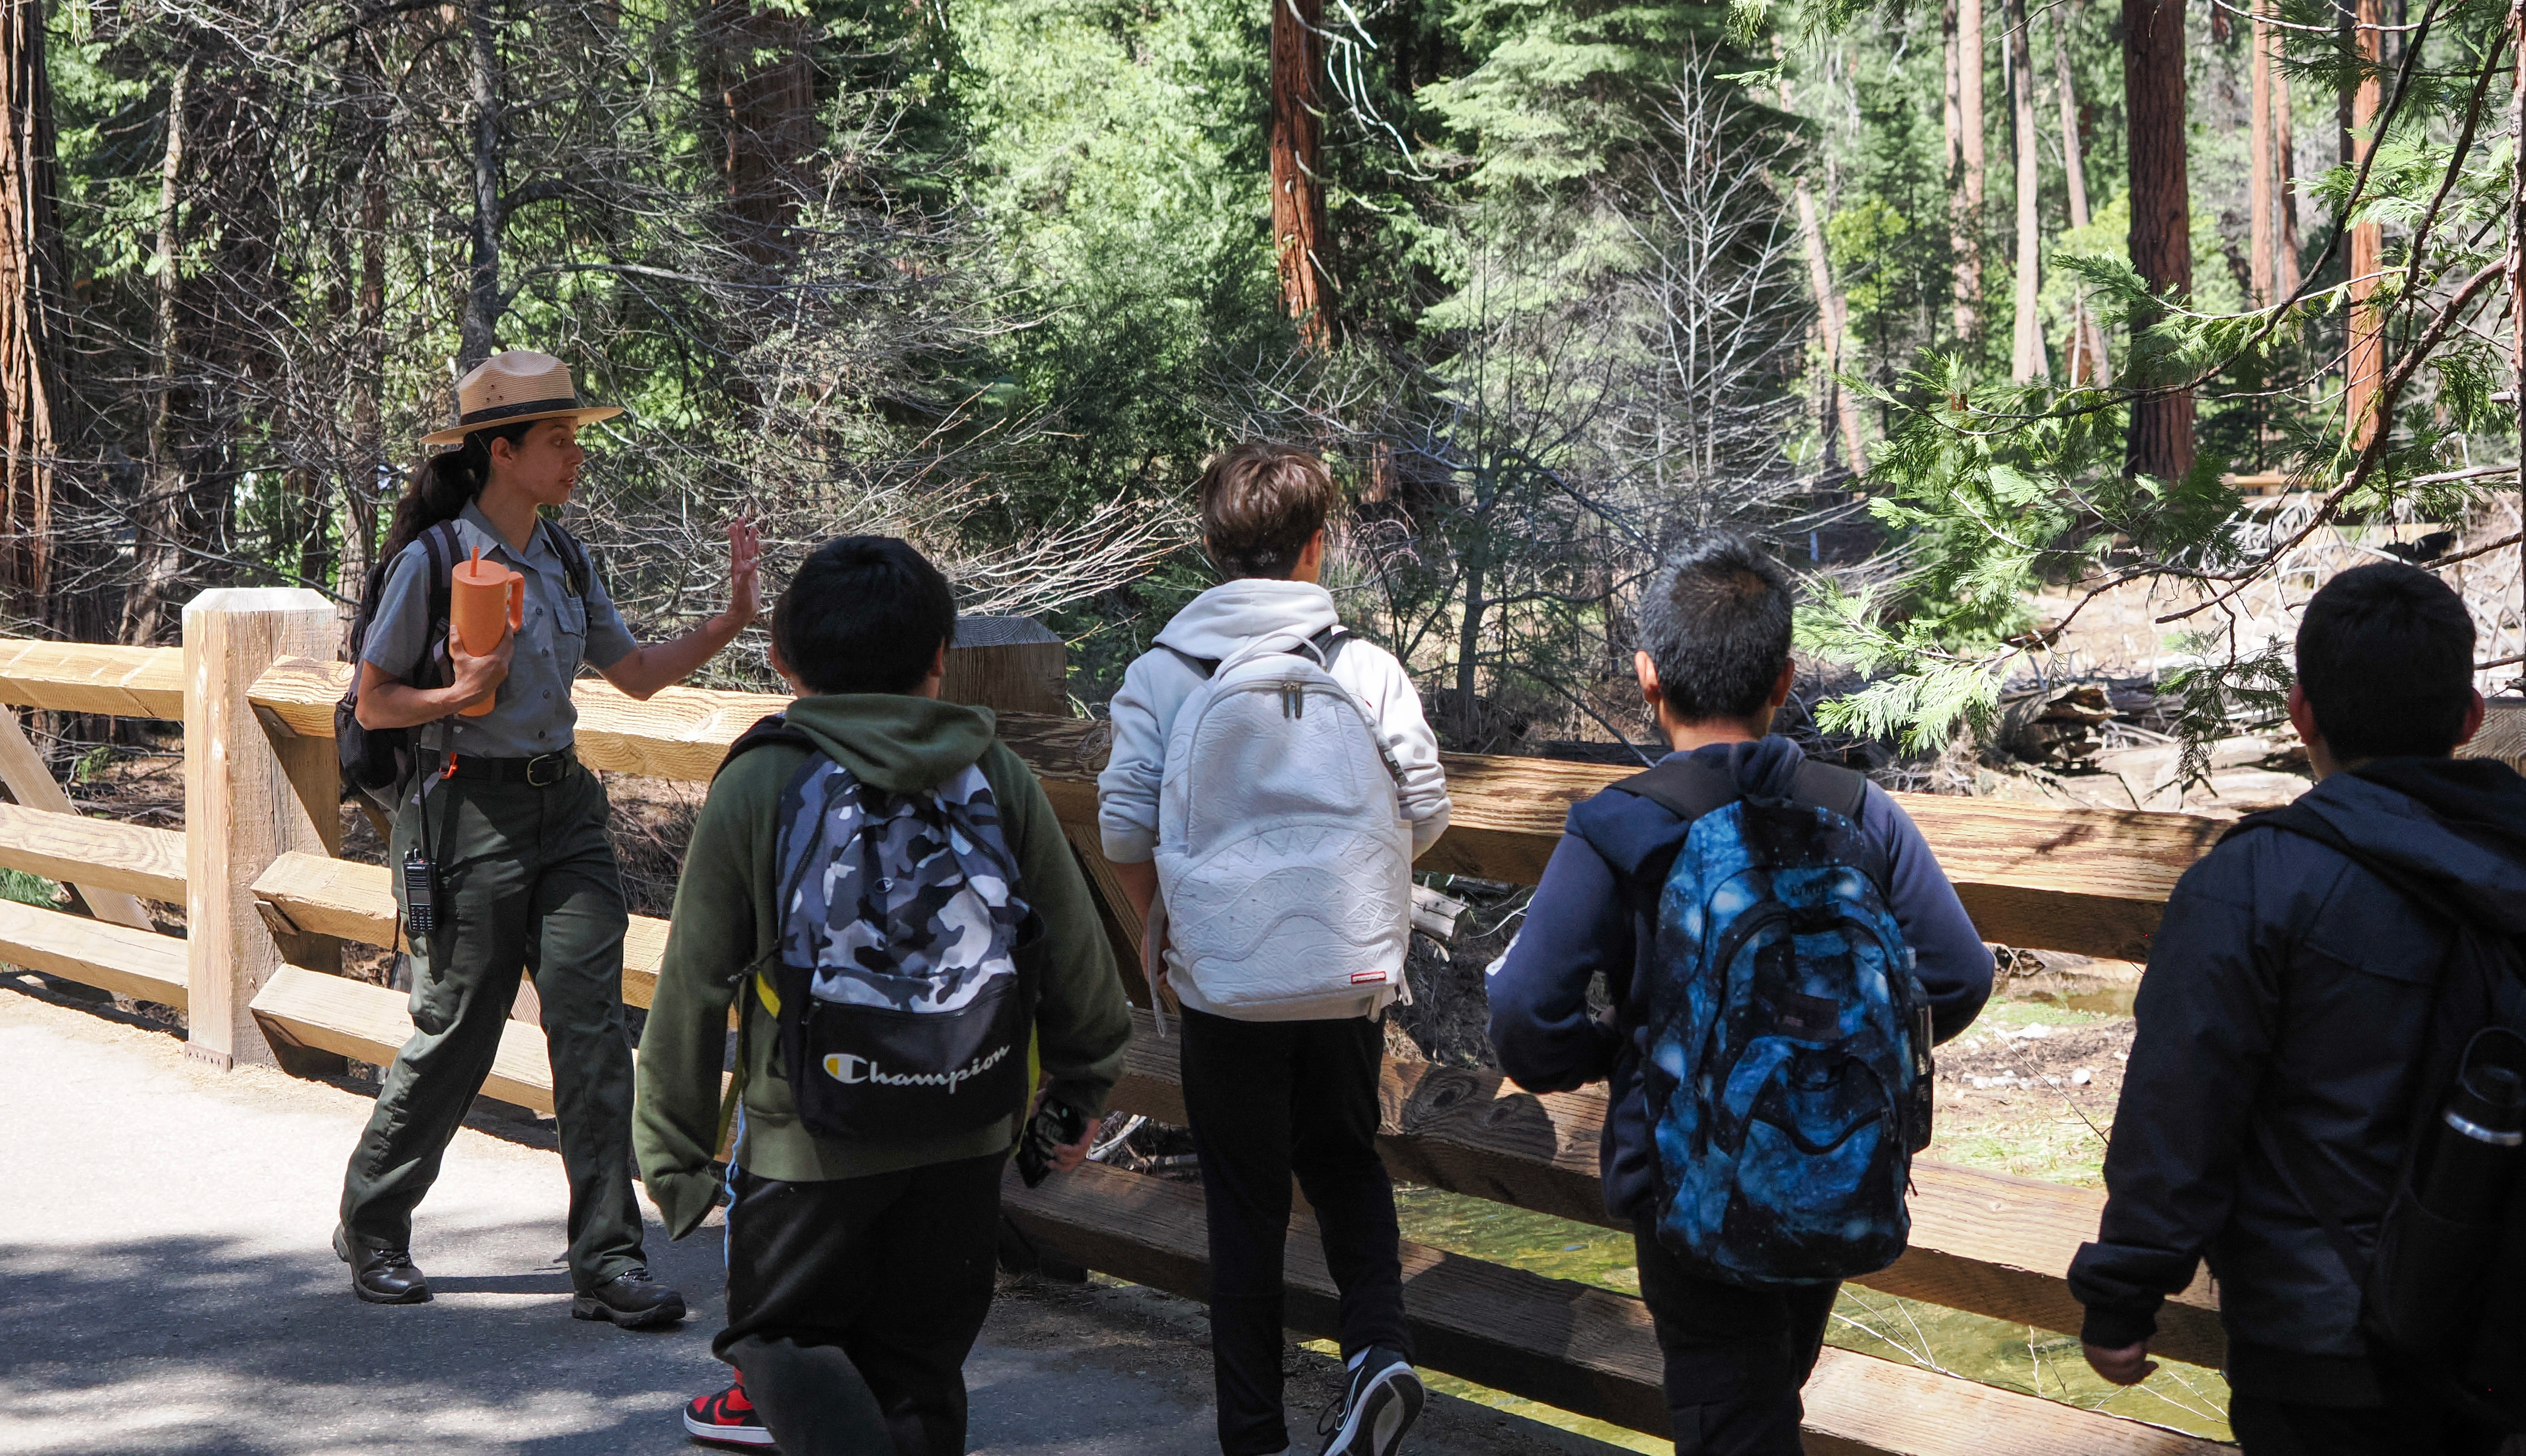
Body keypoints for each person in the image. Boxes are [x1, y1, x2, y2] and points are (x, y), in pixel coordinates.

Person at [1485, 533, 1993, 1456]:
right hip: (1834, 1166)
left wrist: (1625, 1055)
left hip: (1683, 1181)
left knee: (1730, 1418)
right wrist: (1847, 1057)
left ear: (1648, 678)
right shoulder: (1859, 810)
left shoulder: (1621, 826)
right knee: (1764, 1402)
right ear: (1785, 679)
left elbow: (1524, 1016)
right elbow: (1960, 974)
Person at [636, 535, 1135, 1456]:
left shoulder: (762, 779)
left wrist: (674, 1158)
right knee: (919, 1368)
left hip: (810, 1135)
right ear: (939, 660)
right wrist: (1074, 1097)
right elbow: (1078, 962)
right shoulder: (997, 773)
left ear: (784, 659)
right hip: (969, 1121)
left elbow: (695, 982)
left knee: (774, 1338)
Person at [333, 349, 761, 1326]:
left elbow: (639, 674)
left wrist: (731, 617)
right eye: (558, 439)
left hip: (564, 809)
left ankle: (609, 1261)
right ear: (501, 449)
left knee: (595, 1031)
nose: (576, 455)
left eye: (577, 437)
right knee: (459, 1033)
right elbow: (374, 699)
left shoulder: (566, 554)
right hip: (462, 813)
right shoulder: (435, 559)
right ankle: (375, 1223)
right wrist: (459, 693)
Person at [2069, 562, 2526, 1456]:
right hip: (2504, 1325)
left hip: (2327, 1345)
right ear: (2470, 718)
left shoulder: (2255, 883)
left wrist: (2124, 1292)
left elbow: (2183, 1105)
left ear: (2301, 713)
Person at [1097, 441, 1453, 1456]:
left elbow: (1124, 833)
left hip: (1225, 985)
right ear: (1319, 545)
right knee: (1347, 1166)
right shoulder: (1364, 665)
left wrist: (1164, 931)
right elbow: (1425, 811)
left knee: (1244, 1205)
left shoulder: (1164, 671)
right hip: (1344, 980)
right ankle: (1377, 1351)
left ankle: (1254, 1436)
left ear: (1212, 549)